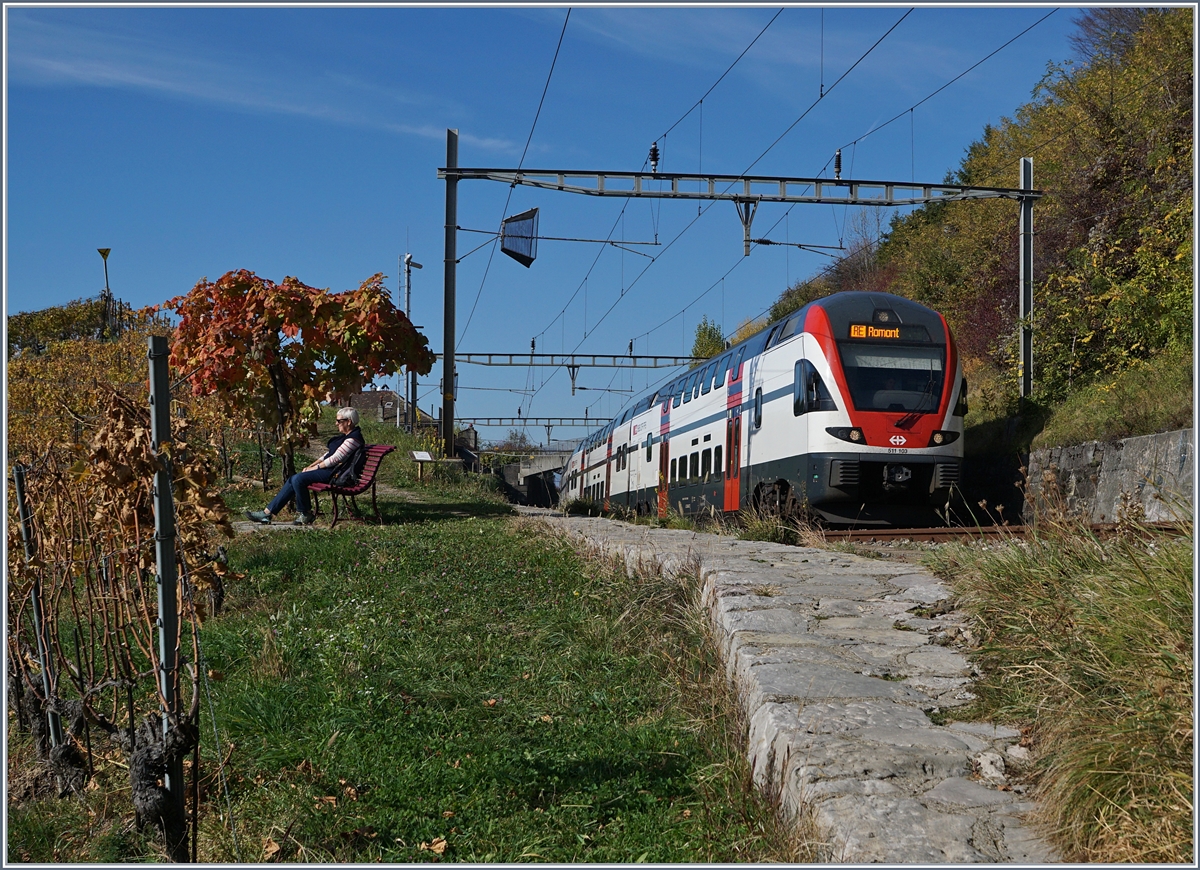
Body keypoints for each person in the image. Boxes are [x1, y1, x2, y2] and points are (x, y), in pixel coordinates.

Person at [245, 407, 365, 525]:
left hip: (338, 475)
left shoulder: (353, 439)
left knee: (298, 479)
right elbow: (327, 455)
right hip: (334, 471)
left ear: (349, 422)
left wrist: (313, 469)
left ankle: (305, 513)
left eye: (339, 421)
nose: (336, 423)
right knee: (294, 478)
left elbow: (335, 459)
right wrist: (311, 466)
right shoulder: (347, 437)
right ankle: (268, 512)